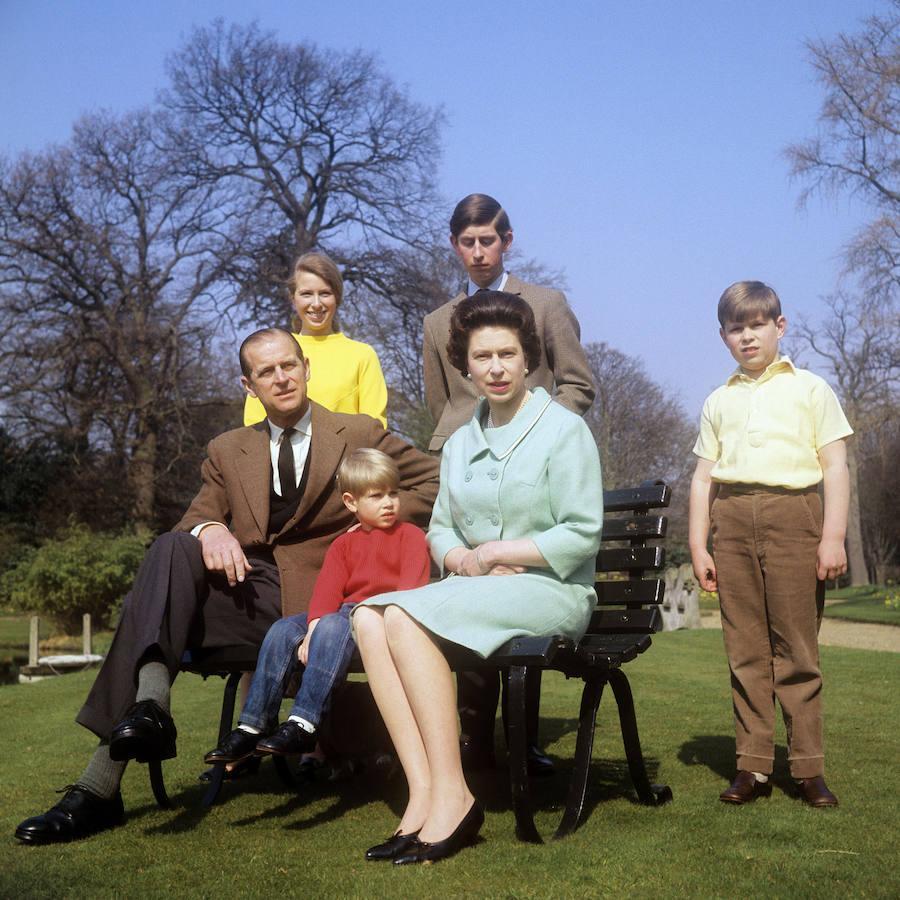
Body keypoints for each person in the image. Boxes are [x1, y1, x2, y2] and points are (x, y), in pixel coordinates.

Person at [15, 328, 438, 845]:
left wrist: (374, 514)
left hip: (326, 603)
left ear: (306, 367)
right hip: (251, 596)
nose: (281, 378)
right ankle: (148, 708)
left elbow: (434, 482)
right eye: (266, 372)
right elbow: (194, 518)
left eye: (288, 365)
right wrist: (211, 529)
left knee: (156, 603)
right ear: (248, 385)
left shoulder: (359, 431)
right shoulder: (228, 448)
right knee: (171, 547)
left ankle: (99, 786)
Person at [353, 291, 603, 864]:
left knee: (404, 616)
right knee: (369, 617)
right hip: (482, 588)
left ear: (528, 359)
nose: (495, 368)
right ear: (465, 364)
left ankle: (457, 795)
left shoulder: (563, 430)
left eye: (507, 355)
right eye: (482, 356)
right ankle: (424, 795)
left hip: (552, 592)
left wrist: (500, 551)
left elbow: (582, 532)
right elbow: (440, 530)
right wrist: (467, 559)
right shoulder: (463, 440)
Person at [422, 193, 597, 774]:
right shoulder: (437, 322)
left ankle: (518, 741)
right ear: (455, 246)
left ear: (506, 240)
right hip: (464, 465)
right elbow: (442, 406)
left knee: (513, 593)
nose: (477, 252)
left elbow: (576, 382)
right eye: (466, 242)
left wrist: (537, 433)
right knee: (462, 592)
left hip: (534, 466)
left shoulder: (545, 304)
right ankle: (470, 742)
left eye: (487, 240)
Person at [688, 281, 852, 808]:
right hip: (731, 520)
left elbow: (835, 466)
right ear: (723, 337)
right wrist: (699, 545)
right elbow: (701, 479)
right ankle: (752, 767)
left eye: (757, 324)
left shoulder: (811, 389)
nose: (748, 336)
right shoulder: (718, 400)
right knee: (745, 651)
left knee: (797, 649)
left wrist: (832, 537)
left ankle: (808, 769)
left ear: (779, 327)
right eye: (736, 328)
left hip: (794, 516)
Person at [204, 448, 431, 767]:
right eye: (377, 496)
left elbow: (410, 594)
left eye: (393, 493)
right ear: (351, 502)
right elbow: (327, 593)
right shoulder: (344, 544)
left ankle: (305, 722)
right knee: (284, 628)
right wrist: (311, 630)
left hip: (379, 621)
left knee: (334, 624)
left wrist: (328, 625)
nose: (389, 502)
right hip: (340, 618)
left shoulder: (410, 537)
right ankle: (253, 724)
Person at [244, 252, 388, 427]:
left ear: (337, 298)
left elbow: (374, 428)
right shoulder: (274, 351)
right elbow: (255, 425)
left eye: (325, 293)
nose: (317, 303)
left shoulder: (362, 355)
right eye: (306, 294)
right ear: (293, 299)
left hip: (346, 454)